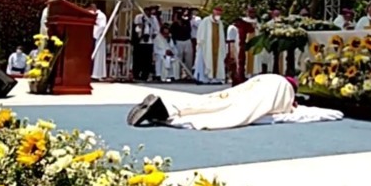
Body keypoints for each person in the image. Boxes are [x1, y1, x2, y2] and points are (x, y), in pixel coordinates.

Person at [127, 74, 299, 129]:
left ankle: (169, 108)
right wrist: (290, 104)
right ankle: (162, 112)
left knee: (214, 100)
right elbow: (283, 105)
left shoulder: (271, 76)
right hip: (269, 90)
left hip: (253, 84)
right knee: (230, 112)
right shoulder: (285, 86)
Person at [194, 7, 227, 84]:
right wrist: (200, 43)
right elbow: (200, 33)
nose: (218, 15)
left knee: (217, 61)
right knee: (203, 61)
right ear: (213, 13)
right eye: (217, 13)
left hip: (217, 46)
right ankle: (202, 79)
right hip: (206, 46)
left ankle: (215, 79)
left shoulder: (220, 23)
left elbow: (221, 36)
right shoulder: (206, 21)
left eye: (219, 14)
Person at [133, 8, 156, 81]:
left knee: (148, 60)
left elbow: (156, 29)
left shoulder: (153, 18)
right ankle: (136, 74)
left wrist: (152, 35)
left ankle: (145, 75)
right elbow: (136, 28)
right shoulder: (139, 17)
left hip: (149, 41)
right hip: (140, 41)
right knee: (138, 59)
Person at [171, 10, 193, 75]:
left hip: (187, 40)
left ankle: (189, 73)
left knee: (188, 59)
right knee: (179, 58)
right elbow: (172, 33)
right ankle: (177, 73)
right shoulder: (174, 24)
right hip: (178, 41)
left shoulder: (186, 22)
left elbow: (188, 30)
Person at [89, 2, 107, 81]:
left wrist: (94, 35)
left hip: (98, 37)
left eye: (93, 6)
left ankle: (96, 75)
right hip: (91, 37)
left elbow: (102, 26)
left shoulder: (101, 15)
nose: (91, 7)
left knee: (97, 56)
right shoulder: (91, 13)